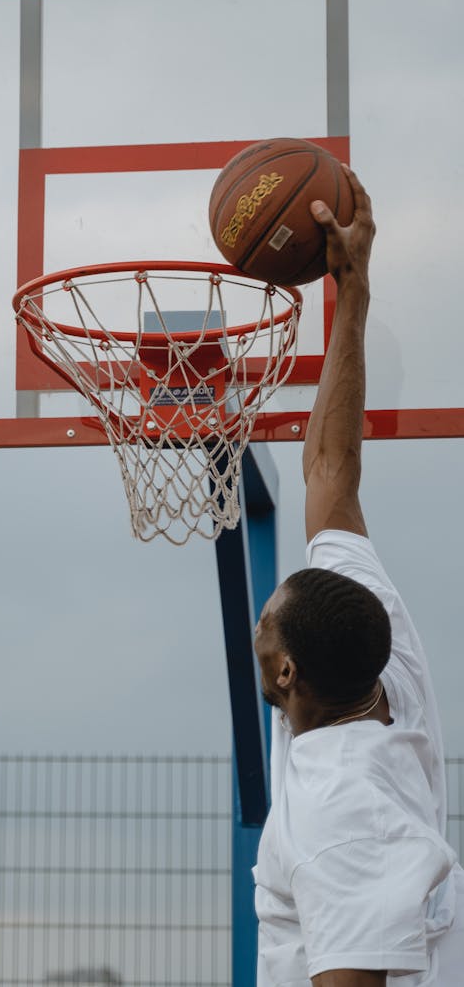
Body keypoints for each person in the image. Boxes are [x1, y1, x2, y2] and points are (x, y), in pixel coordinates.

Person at [252, 167, 464, 987]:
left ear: (287, 672)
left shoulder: (340, 806)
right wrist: (352, 292)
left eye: (266, 617)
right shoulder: (378, 648)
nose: (260, 617)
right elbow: (332, 468)